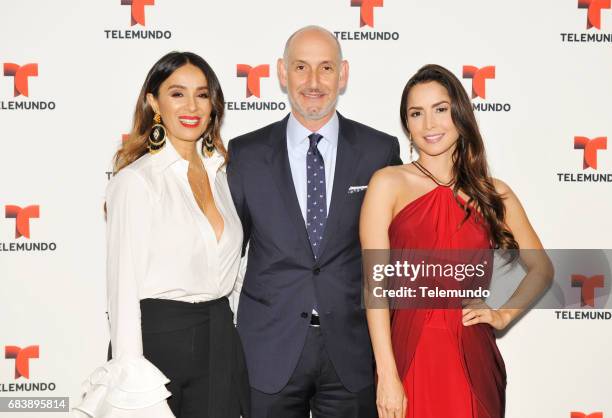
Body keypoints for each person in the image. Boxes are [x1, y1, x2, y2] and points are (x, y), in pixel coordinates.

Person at [227, 26, 402, 418]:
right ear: (281, 73)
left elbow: (399, 251)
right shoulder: (245, 153)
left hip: (352, 355)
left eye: (326, 68)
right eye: (301, 67)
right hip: (267, 352)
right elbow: (223, 249)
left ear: (343, 75)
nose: (313, 82)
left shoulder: (379, 150)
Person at [360, 64, 553, 418]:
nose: (429, 125)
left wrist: (503, 314)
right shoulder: (387, 184)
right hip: (409, 354)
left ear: (460, 113)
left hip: (472, 353)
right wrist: (387, 373)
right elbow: (375, 287)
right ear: (406, 124)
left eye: (441, 109)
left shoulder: (493, 193)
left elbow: (542, 268)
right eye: (416, 113)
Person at [72, 52, 250, 418]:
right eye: (177, 93)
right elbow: (122, 288)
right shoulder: (136, 181)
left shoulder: (223, 175)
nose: (192, 106)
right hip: (157, 341)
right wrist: (128, 373)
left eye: (202, 94)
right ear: (154, 102)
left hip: (220, 339)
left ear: (213, 105)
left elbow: (231, 272)